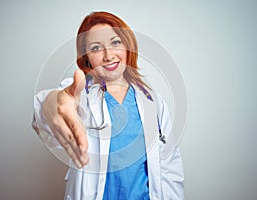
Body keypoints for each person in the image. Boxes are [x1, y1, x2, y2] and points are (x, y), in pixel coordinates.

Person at [32, 11, 184, 200]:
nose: (108, 55)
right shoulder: (81, 94)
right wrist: (51, 103)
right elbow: (53, 111)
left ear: (128, 46)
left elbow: (169, 168)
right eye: (96, 48)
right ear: (87, 57)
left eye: (115, 42)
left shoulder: (153, 101)